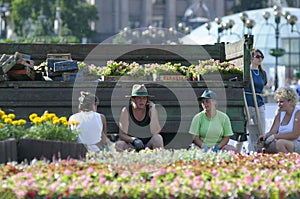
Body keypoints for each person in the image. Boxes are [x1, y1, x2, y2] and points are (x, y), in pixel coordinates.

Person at [115, 84, 164, 152]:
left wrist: (153, 111)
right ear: (132, 99)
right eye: (139, 98)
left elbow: (155, 131)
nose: (142, 101)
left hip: (148, 144)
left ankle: (158, 161)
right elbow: (122, 135)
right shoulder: (126, 110)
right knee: (119, 144)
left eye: (144, 98)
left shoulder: (151, 109)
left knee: (158, 138)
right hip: (131, 144)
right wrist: (133, 140)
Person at [258, 87, 300, 154]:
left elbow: (294, 135)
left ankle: (289, 163)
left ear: (291, 101)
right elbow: (272, 131)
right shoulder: (280, 114)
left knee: (280, 143)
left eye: (281, 102)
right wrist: (265, 136)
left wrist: (275, 136)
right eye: (278, 102)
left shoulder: (298, 113)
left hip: (297, 142)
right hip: (283, 142)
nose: (278, 104)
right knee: (263, 144)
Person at [243, 48, 268, 152]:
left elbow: (264, 85)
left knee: (261, 129)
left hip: (259, 103)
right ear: (251, 58)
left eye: (262, 56)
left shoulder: (262, 73)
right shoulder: (246, 71)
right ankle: (242, 150)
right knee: (246, 130)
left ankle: (258, 150)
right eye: (257, 56)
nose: (260, 59)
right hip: (248, 103)